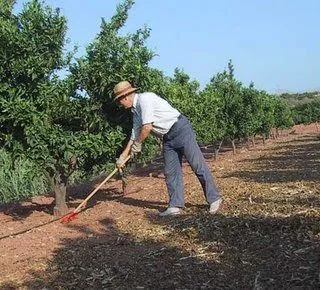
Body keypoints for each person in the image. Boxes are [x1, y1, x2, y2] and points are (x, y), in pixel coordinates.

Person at [114, 80, 222, 216]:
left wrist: (139, 143)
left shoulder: (145, 99)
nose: (120, 104)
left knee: (197, 165)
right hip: (167, 137)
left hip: (180, 129)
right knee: (171, 171)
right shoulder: (135, 111)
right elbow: (135, 133)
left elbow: (147, 127)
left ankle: (214, 198)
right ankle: (175, 205)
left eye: (120, 101)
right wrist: (124, 155)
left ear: (125, 97)